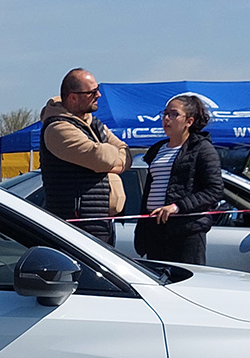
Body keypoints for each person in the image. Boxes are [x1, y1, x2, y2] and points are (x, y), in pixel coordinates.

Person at [37, 69, 129, 245]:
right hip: (75, 225)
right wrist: (110, 157)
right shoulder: (58, 128)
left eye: (97, 89)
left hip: (100, 222)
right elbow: (102, 158)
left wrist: (109, 159)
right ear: (73, 97)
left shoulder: (94, 124)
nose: (99, 95)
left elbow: (126, 153)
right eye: (92, 92)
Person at [133, 93, 223, 265]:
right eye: (165, 114)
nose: (166, 119)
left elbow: (214, 190)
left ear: (189, 121)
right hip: (155, 229)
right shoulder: (157, 149)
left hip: (186, 230)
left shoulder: (202, 148)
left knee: (185, 277)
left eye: (174, 114)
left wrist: (177, 207)